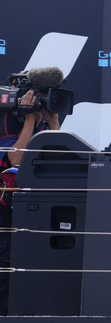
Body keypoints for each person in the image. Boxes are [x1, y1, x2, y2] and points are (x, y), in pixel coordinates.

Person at [0, 69, 64, 315]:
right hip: (6, 216)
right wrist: (29, 120)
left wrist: (53, 123)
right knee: (6, 283)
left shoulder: (43, 128)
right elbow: (15, 160)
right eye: (38, 99)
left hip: (34, 213)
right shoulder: (7, 125)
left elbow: (61, 159)